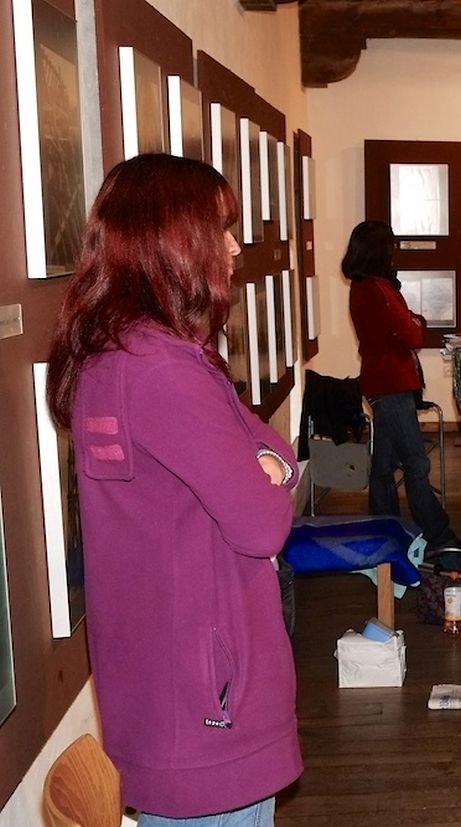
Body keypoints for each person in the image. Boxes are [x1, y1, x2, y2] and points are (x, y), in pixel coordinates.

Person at [45, 154, 301, 824]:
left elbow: (268, 447)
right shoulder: (166, 371)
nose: (235, 247)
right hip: (206, 702)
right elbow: (263, 522)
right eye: (221, 229)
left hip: (163, 688)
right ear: (174, 241)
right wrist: (266, 470)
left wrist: (267, 464)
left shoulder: (114, 354)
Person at [343, 220, 461, 554]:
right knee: (417, 463)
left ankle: (386, 531)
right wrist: (416, 321)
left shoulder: (365, 287)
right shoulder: (377, 289)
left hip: (382, 382)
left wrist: (413, 321)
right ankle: (438, 535)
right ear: (380, 250)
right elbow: (413, 333)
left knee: (384, 466)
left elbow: (408, 325)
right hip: (391, 385)